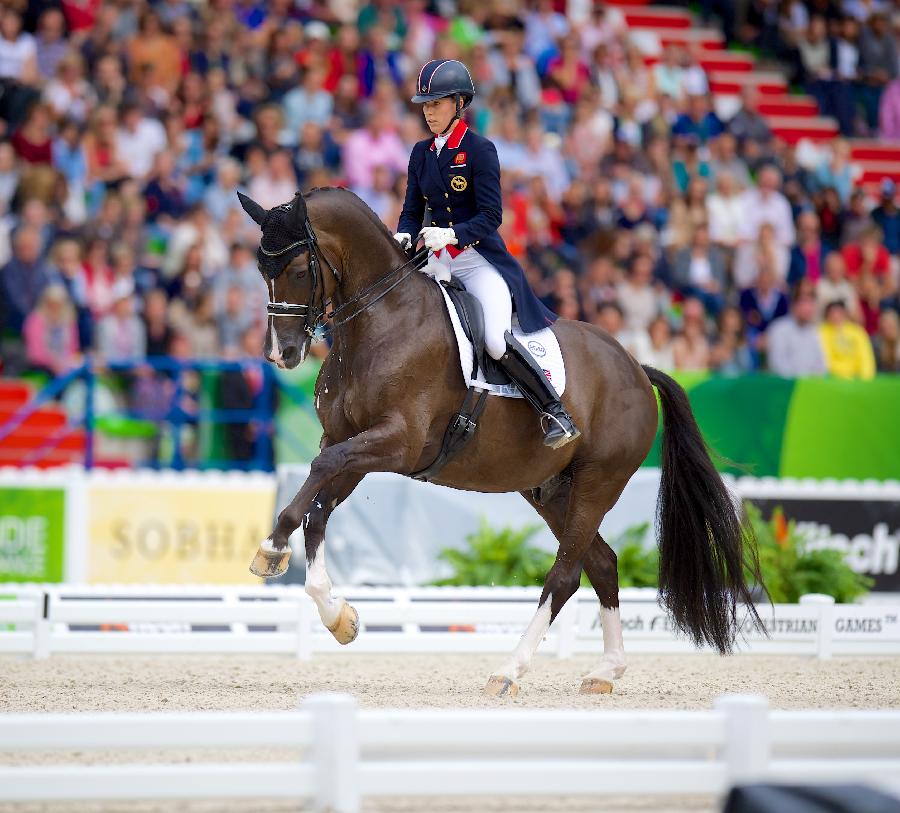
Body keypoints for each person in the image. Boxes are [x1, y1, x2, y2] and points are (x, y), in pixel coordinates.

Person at [395, 59, 579, 448]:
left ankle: (554, 411)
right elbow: (412, 209)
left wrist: (452, 233)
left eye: (436, 104)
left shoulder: (480, 150)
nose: (429, 112)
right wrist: (404, 234)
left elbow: (492, 216)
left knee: (495, 338)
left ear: (459, 103)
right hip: (435, 260)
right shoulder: (420, 153)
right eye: (425, 105)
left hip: (476, 260)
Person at [766, 289, 827, 377]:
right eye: (804, 304)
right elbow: (777, 363)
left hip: (810, 382)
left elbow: (821, 363)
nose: (808, 308)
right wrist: (798, 379)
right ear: (794, 306)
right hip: (785, 382)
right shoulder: (779, 328)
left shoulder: (815, 332)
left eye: (811, 304)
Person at [818, 300, 876, 380]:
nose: (835, 316)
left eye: (839, 313)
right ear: (827, 315)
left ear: (845, 314)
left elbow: (866, 359)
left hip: (856, 379)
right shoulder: (821, 332)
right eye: (832, 313)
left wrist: (865, 379)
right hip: (831, 379)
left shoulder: (857, 332)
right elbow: (824, 360)